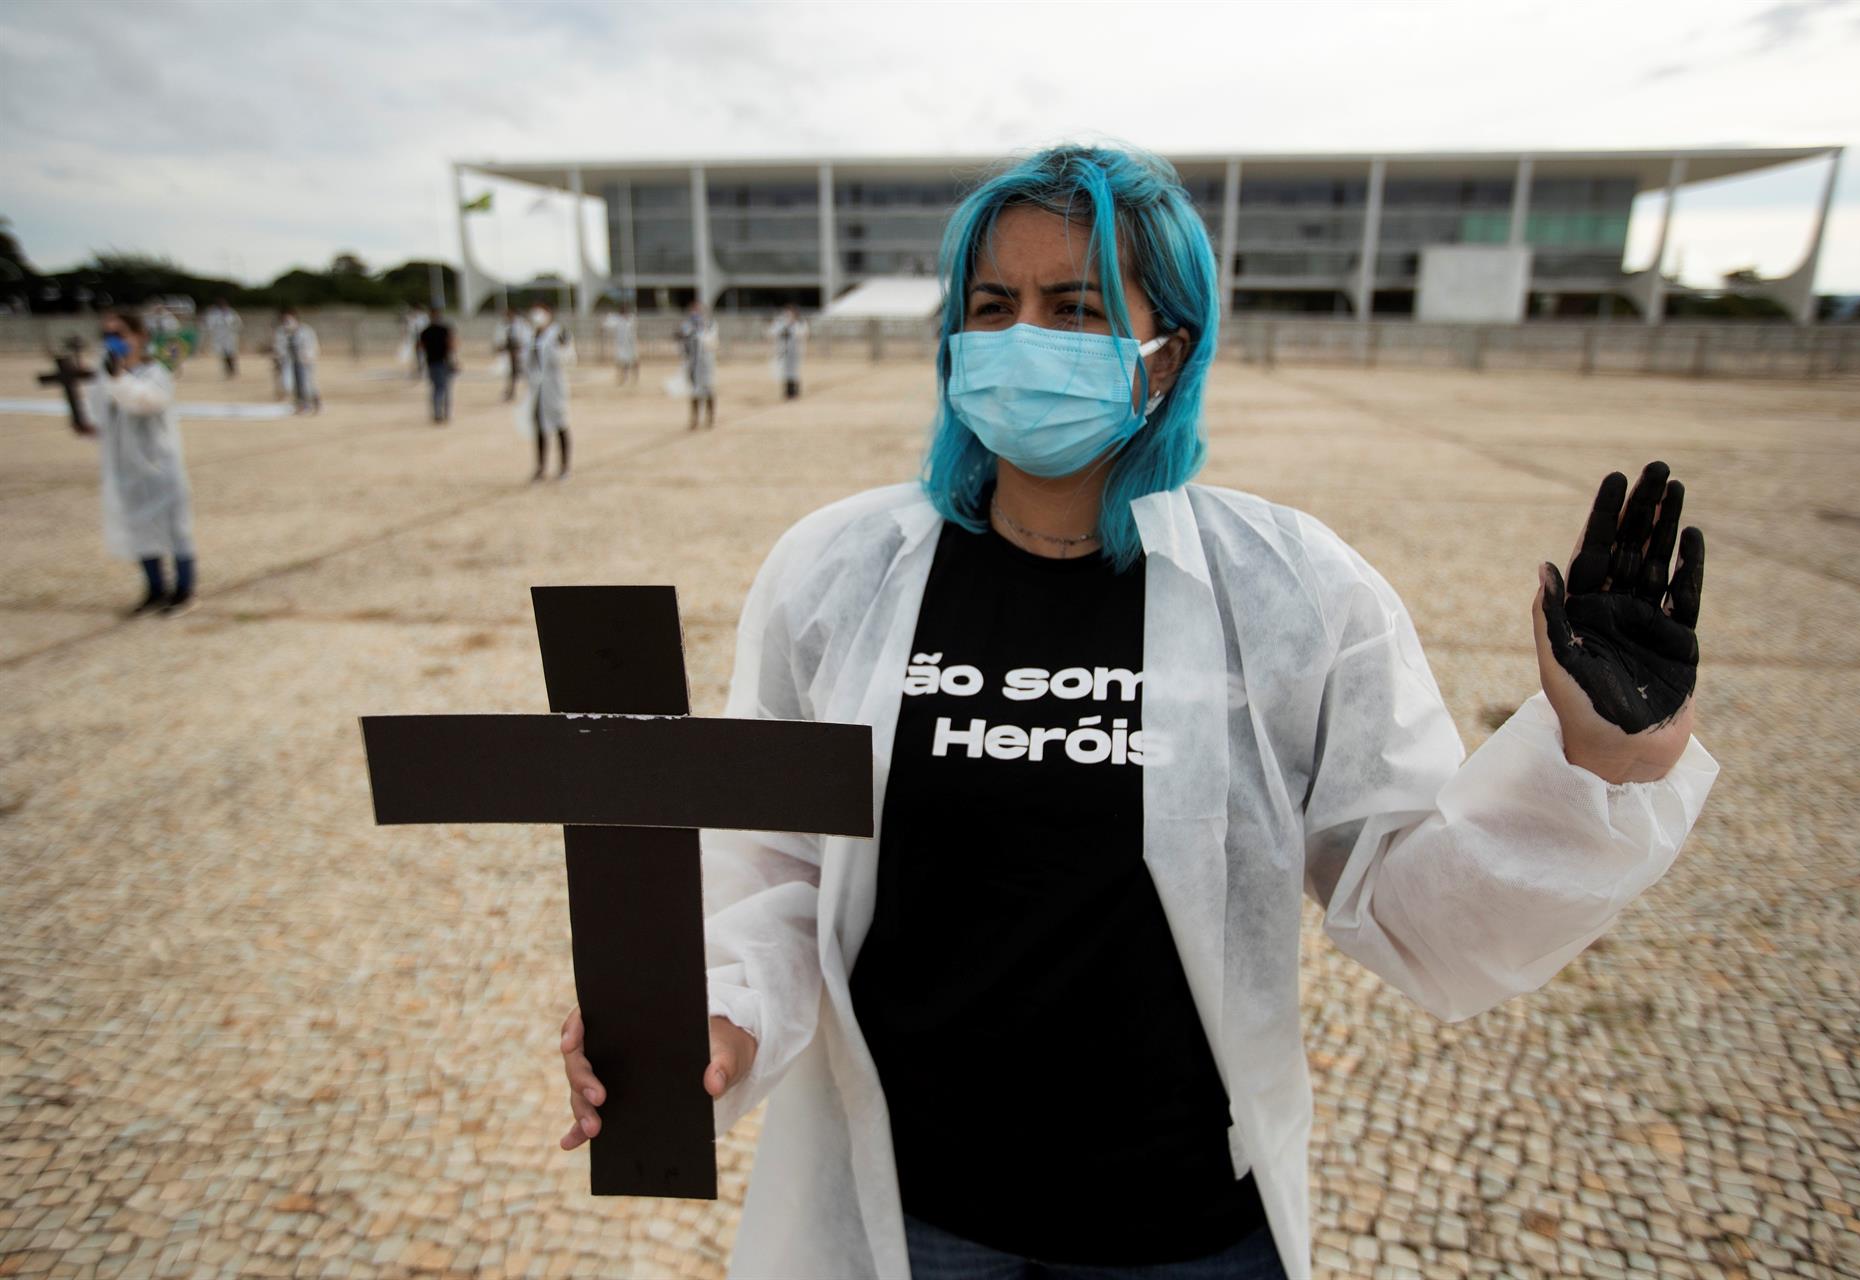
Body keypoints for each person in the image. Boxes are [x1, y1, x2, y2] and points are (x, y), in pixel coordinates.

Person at [557, 145, 1720, 1280]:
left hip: (1183, 1226)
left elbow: (1406, 895)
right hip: (914, 1213)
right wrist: (713, 1012)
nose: (1026, 338)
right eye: (993, 304)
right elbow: (776, 868)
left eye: (1076, 308)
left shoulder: (1289, 589)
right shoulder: (837, 575)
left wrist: (1595, 762)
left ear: (1168, 354)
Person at [86, 311, 198, 618]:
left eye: (120, 333)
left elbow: (145, 402)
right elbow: (97, 413)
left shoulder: (156, 371)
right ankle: (154, 590)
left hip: (159, 463)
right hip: (126, 465)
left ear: (140, 336)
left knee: (175, 529)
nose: (113, 341)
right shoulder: (105, 373)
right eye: (107, 335)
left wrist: (118, 378)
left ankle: (184, 589)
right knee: (140, 529)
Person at [520, 304, 573, 480]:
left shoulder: (558, 334)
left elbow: (566, 358)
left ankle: (564, 466)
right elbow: (526, 362)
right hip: (538, 389)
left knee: (560, 424)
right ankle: (541, 467)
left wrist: (561, 346)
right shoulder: (530, 335)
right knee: (540, 427)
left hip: (554, 387)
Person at [676, 300, 717, 430]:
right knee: (694, 392)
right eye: (694, 310)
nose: (696, 313)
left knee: (708, 390)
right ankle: (694, 419)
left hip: (706, 365)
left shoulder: (710, 325)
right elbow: (681, 340)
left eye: (698, 310)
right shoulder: (687, 326)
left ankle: (710, 417)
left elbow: (712, 343)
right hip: (693, 365)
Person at [273, 309, 321, 414]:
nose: (287, 323)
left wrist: (308, 356)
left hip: (303, 362)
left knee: (307, 384)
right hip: (290, 362)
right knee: (290, 384)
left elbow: (312, 345)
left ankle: (313, 403)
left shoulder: (306, 331)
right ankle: (299, 405)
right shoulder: (282, 332)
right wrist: (279, 358)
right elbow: (279, 347)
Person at [416, 307, 458, 424]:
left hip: (432, 362)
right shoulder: (443, 330)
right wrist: (454, 361)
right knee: (443, 388)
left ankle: (438, 412)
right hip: (442, 362)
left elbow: (420, 347)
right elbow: (451, 345)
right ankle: (442, 412)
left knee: (436, 388)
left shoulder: (426, 331)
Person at [768, 302, 807, 400]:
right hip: (783, 351)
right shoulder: (780, 323)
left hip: (795, 351)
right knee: (784, 372)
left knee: (794, 372)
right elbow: (772, 332)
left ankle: (794, 391)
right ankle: (787, 391)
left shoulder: (799, 323)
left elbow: (803, 333)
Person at [497, 305, 532, 402]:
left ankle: (531, 392)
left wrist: (516, 350)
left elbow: (523, 340)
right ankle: (511, 392)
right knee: (512, 374)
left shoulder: (521, 325)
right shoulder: (509, 325)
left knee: (526, 374)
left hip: (522, 354)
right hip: (513, 355)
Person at [603, 301, 640, 387]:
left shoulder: (631, 319)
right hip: (621, 345)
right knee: (621, 362)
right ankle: (622, 378)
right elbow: (607, 324)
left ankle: (635, 376)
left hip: (631, 345)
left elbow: (633, 328)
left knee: (634, 361)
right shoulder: (617, 320)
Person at [203, 298, 242, 378]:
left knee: (231, 353)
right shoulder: (213, 314)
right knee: (223, 354)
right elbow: (209, 325)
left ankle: (232, 369)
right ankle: (227, 370)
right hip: (219, 337)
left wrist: (234, 329)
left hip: (229, 336)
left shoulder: (231, 312)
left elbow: (237, 323)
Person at [404, 304, 429, 380]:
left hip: (421, 338)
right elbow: (411, 328)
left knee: (421, 354)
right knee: (417, 355)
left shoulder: (423, 317)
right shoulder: (415, 318)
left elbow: (422, 328)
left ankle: (422, 369)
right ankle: (419, 369)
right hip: (416, 338)